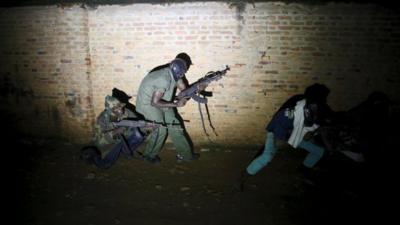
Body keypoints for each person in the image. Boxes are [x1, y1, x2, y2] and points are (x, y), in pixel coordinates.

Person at [236, 84, 330, 191]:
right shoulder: (290, 112)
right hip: (278, 132)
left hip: (294, 134)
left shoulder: (316, 107)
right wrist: (286, 140)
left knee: (318, 151)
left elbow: (319, 122)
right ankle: (244, 175)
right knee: (267, 156)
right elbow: (279, 133)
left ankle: (304, 171)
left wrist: (310, 133)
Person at [135, 53, 203, 164]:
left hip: (163, 102)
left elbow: (184, 91)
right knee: (161, 128)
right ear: (179, 70)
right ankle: (148, 156)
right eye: (184, 71)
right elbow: (155, 102)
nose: (185, 73)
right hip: (147, 104)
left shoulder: (175, 74)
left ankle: (186, 155)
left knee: (175, 125)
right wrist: (176, 105)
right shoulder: (164, 78)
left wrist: (197, 88)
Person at [81, 95, 145, 169]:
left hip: (121, 139)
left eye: (120, 107)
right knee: (104, 165)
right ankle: (93, 157)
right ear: (110, 110)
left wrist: (147, 126)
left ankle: (123, 152)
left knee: (139, 135)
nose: (120, 110)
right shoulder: (102, 119)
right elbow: (99, 141)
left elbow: (137, 122)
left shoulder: (126, 112)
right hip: (109, 144)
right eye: (116, 109)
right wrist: (114, 132)